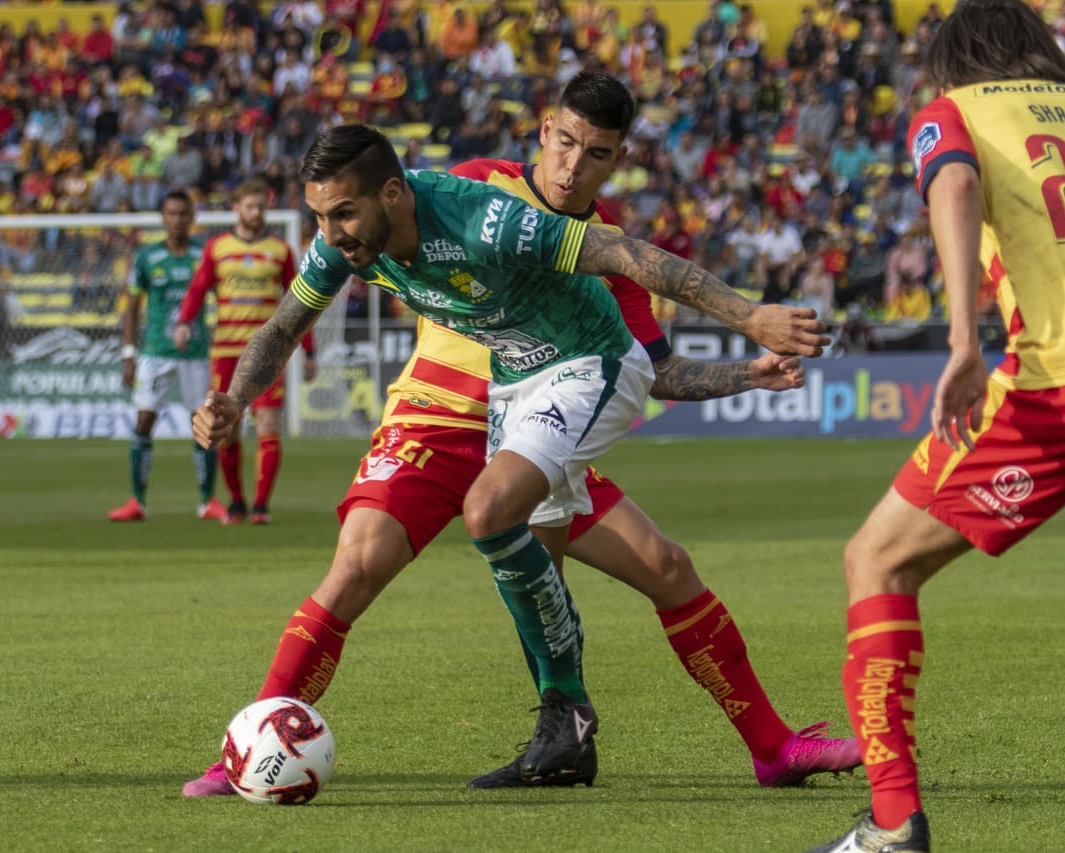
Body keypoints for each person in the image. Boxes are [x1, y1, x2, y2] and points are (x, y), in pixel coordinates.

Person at [181, 72, 857, 798]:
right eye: (565, 143)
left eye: (594, 153)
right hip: (437, 419)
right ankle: (246, 753)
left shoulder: (598, 251)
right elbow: (289, 320)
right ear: (543, 132)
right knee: (356, 566)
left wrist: (743, 372)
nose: (573, 166)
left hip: (541, 412)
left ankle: (762, 744)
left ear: (617, 158)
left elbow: (656, 370)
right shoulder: (468, 193)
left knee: (662, 563)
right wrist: (236, 398)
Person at [809, 2, 1065, 850]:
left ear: (954, 60)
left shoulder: (956, 109)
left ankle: (892, 824)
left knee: (876, 558)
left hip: (1062, 382)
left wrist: (961, 338)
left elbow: (953, 182)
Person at [174, 178, 317, 526]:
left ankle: (261, 506)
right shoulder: (217, 248)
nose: (257, 214)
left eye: (262, 208)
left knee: (269, 424)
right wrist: (184, 321)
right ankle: (236, 501)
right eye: (251, 207)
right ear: (236, 208)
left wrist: (309, 351)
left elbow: (301, 302)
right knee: (227, 427)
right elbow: (197, 289)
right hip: (226, 351)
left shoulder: (280, 250)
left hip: (268, 354)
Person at [108, 191, 223, 522]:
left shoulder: (204, 255)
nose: (176, 220)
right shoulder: (147, 257)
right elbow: (131, 308)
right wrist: (128, 353)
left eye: (182, 214)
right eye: (170, 214)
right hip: (155, 352)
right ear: (162, 217)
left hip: (195, 352)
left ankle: (206, 501)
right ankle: (137, 502)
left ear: (192, 218)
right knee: (144, 419)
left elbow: (221, 296)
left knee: (202, 423)